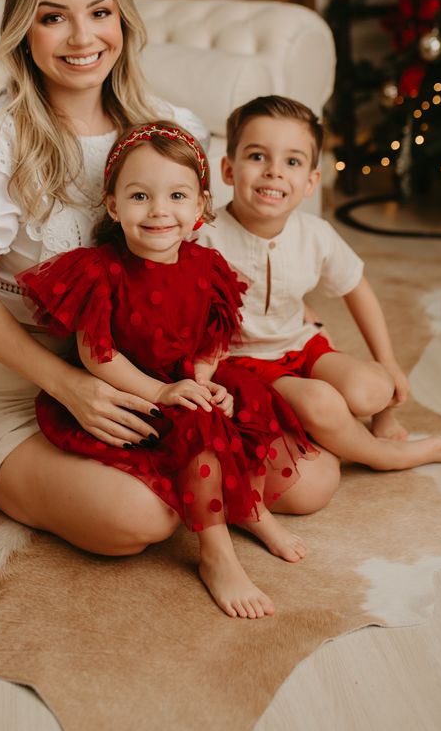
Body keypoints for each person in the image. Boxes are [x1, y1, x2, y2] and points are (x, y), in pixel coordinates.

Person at [0, 0, 339, 569]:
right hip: (30, 394)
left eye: (99, 12)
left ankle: (203, 491)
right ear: (23, 31)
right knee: (139, 519)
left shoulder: (165, 130)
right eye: (53, 17)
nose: (83, 38)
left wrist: (219, 366)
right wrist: (71, 384)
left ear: (123, 18)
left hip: (156, 381)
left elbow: (195, 274)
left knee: (313, 485)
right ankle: (184, 500)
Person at [17, 121, 325, 619]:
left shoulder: (207, 266)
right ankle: (217, 554)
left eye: (177, 195)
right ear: (114, 206)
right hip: (132, 393)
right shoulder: (101, 270)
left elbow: (212, 339)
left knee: (236, 402)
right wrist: (163, 393)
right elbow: (99, 356)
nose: (160, 210)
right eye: (140, 196)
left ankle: (250, 509)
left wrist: (204, 383)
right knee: (197, 425)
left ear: (201, 206)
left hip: (184, 382)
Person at [198, 94, 441, 471]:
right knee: (322, 402)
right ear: (228, 169)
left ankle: (373, 420)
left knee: (372, 388)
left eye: (292, 161)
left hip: (300, 344)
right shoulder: (205, 237)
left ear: (310, 182)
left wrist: (387, 361)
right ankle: (381, 455)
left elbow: (357, 288)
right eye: (257, 156)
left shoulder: (315, 233)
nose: (274, 171)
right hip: (243, 362)